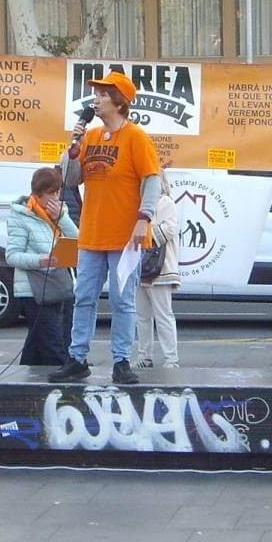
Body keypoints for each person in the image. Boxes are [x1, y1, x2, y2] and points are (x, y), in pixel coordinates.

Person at [50, 70, 161, 386]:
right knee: (83, 295)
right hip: (93, 234)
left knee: (122, 300)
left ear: (119, 101)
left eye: (101, 94)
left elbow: (151, 179)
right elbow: (72, 180)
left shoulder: (136, 137)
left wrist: (144, 217)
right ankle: (77, 358)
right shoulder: (90, 137)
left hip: (126, 237)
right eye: (95, 94)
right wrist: (71, 150)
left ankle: (122, 360)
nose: (95, 100)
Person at [5, 166, 79, 365]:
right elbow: (12, 256)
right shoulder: (21, 216)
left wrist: (61, 219)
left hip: (60, 283)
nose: (56, 197)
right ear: (37, 195)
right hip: (35, 288)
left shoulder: (60, 212)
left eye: (58, 192)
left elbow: (78, 240)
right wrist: (40, 260)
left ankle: (26, 381)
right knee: (52, 343)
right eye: (51, 193)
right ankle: (60, 386)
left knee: (42, 340)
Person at [134, 174, 180, 369]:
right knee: (141, 316)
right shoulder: (136, 202)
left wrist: (144, 232)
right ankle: (144, 356)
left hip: (160, 268)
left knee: (163, 315)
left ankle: (171, 358)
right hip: (138, 266)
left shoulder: (165, 202)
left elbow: (170, 229)